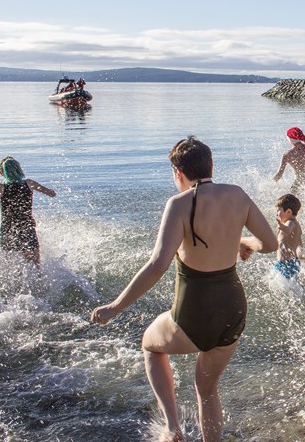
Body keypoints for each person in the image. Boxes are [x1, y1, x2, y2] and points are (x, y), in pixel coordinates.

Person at [90, 137, 278, 442]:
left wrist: (115, 306)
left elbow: (157, 265)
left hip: (196, 308)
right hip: (233, 308)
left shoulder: (178, 204)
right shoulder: (237, 195)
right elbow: (270, 245)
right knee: (207, 389)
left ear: (178, 173)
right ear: (210, 165)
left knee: (151, 346)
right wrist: (245, 242)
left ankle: (173, 428)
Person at [0, 156, 56, 265]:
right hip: (27, 228)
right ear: (19, 170)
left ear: (2, 173)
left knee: (10, 268)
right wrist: (51, 192)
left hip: (8, 230)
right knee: (35, 266)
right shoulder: (29, 183)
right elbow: (50, 193)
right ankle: (39, 282)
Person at [270, 194, 304, 278]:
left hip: (286, 263)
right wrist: (300, 253)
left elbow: (288, 229)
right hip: (291, 262)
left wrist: (280, 225)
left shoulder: (290, 222)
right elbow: (299, 242)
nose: (276, 213)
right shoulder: (296, 225)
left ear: (288, 211)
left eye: (278, 210)